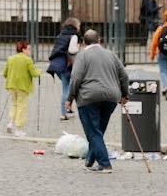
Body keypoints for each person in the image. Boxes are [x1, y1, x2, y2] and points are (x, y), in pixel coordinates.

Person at [66, 30, 129, 174]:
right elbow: (124, 76)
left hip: (89, 97)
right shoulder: (111, 54)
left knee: (93, 133)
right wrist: (124, 95)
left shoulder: (82, 56)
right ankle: (89, 161)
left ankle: (105, 164)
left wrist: (69, 98)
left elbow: (75, 78)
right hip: (111, 97)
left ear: (83, 42)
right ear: (99, 40)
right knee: (98, 131)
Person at [3, 41, 41, 137]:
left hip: (11, 86)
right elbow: (34, 74)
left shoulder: (10, 59)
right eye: (28, 49)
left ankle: (10, 123)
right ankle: (19, 129)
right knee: (22, 107)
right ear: (23, 49)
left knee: (14, 105)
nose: (29, 51)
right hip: (23, 87)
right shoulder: (28, 60)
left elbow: (4, 73)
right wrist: (40, 72)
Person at [46, 17, 81, 121]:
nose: (79, 27)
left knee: (67, 87)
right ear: (75, 26)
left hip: (56, 65)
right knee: (68, 89)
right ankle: (64, 112)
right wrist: (78, 48)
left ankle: (67, 110)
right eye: (79, 25)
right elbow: (72, 50)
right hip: (65, 65)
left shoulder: (61, 34)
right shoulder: (73, 35)